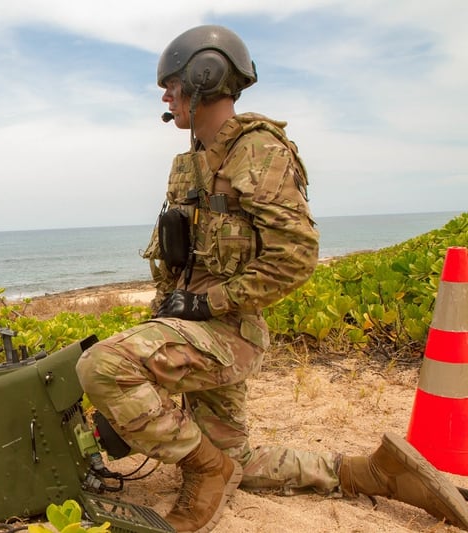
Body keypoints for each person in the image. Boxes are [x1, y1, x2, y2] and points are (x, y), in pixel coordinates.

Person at [76, 24, 468, 533]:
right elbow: (181, 263)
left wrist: (206, 305)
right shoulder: (191, 164)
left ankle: (203, 469)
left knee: (102, 365)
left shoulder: (258, 152)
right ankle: (373, 473)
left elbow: (295, 258)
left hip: (228, 332)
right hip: (198, 331)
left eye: (171, 83)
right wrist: (167, 320)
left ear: (205, 76)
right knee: (239, 459)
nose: (165, 95)